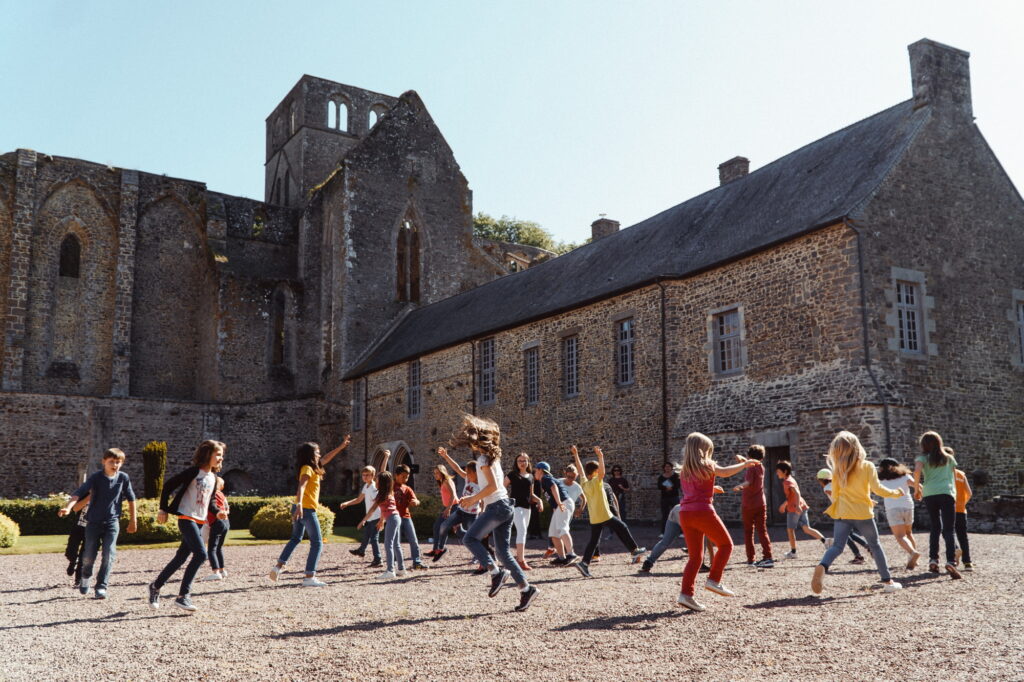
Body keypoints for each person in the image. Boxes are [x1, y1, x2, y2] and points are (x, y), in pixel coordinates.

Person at [448, 414, 539, 612]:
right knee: (503, 552)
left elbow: (492, 486)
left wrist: (473, 499)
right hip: (505, 506)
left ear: (476, 442)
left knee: (470, 539)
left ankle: (495, 572)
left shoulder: (482, 459)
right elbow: (494, 486)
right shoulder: (492, 457)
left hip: (497, 506)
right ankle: (526, 589)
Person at [811, 431, 905, 595]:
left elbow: (837, 493)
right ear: (857, 447)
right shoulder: (867, 465)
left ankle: (823, 566)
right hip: (863, 513)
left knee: (837, 546)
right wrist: (895, 493)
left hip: (843, 513)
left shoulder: (837, 469)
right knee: (875, 545)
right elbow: (878, 489)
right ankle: (887, 581)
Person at [674, 433, 757, 612]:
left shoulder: (684, 470)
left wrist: (711, 488)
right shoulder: (708, 465)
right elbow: (725, 472)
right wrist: (744, 464)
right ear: (704, 450)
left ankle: (686, 595)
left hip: (685, 514)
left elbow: (693, 490)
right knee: (726, 545)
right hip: (703, 512)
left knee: (695, 557)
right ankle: (714, 580)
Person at [149, 441, 226, 611]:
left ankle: (155, 586)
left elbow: (211, 500)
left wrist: (218, 511)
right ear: (208, 455)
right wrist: (163, 508)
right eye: (218, 454)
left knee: (181, 557)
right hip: (186, 517)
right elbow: (168, 486)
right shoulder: (194, 472)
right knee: (201, 554)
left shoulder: (213, 478)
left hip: (199, 521)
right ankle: (183, 596)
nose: (221, 458)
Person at [268, 436, 352, 588]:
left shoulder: (314, 467)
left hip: (300, 507)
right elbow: (301, 486)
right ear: (310, 454)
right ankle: (309, 576)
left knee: (295, 538)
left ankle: (278, 567)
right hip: (305, 508)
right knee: (317, 543)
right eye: (317, 452)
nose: (320, 454)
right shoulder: (307, 468)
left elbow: (327, 458)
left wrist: (340, 447)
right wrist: (300, 505)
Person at [57, 449, 137, 599]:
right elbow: (79, 492)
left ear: (122, 463)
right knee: (89, 555)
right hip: (93, 523)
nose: (115, 465)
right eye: (111, 461)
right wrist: (68, 508)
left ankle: (101, 586)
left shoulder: (123, 478)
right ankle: (85, 577)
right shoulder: (96, 478)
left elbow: (132, 499)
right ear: (104, 462)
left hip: (112, 522)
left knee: (109, 554)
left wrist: (133, 520)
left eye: (118, 462)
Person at [571, 445, 646, 579]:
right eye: (597, 470)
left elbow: (581, 471)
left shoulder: (584, 483)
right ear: (594, 472)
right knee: (622, 526)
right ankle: (634, 550)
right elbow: (602, 473)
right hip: (605, 515)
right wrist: (600, 457)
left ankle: (584, 564)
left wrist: (576, 455)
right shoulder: (596, 481)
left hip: (594, 518)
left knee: (593, 542)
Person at [913, 431, 961, 578]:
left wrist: (917, 490)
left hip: (929, 494)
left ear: (924, 445)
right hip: (947, 493)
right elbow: (953, 477)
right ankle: (951, 561)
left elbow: (916, 472)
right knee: (949, 529)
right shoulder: (949, 458)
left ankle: (933, 559)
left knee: (935, 527)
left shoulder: (922, 458)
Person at [432, 450, 483, 563]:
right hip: (461, 511)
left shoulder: (482, 484)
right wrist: (446, 456)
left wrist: (482, 512)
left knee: (472, 536)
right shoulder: (467, 478)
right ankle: (440, 549)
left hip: (472, 514)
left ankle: (479, 555)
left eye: (468, 471)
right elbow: (456, 468)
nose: (466, 473)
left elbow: (483, 500)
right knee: (444, 525)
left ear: (476, 472)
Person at [816, 468, 871, 564]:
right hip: (847, 510)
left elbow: (838, 497)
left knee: (845, 536)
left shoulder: (826, 488)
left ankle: (859, 554)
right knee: (850, 534)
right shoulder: (836, 485)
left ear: (821, 480)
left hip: (841, 512)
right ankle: (865, 548)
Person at [339, 461, 388, 568]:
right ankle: (361, 551)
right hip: (370, 517)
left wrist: (382, 520)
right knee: (366, 535)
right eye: (363, 475)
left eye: (367, 475)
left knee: (374, 538)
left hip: (377, 517)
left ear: (373, 476)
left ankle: (378, 559)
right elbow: (359, 499)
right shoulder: (366, 486)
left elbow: (381, 504)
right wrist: (347, 503)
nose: (364, 477)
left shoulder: (375, 488)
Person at [732, 444, 773, 568]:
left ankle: (751, 559)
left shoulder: (751, 469)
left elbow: (748, 482)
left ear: (749, 455)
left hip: (749, 504)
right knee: (762, 531)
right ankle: (768, 557)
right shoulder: (761, 467)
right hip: (761, 503)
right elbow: (751, 463)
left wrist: (739, 486)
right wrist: (744, 460)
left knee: (748, 532)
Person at [358, 470, 406, 579]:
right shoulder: (388, 493)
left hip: (392, 519)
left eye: (377, 480)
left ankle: (390, 571)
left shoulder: (381, 495)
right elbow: (386, 509)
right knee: (396, 544)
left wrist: (363, 520)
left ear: (382, 483)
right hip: (395, 518)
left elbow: (372, 509)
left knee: (388, 544)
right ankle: (401, 569)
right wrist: (381, 520)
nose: (376, 481)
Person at [876, 458, 922, 569]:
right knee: (909, 533)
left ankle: (912, 552)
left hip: (893, 508)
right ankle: (914, 560)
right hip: (908, 506)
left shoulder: (880, 479)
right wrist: (918, 494)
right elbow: (918, 485)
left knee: (900, 536)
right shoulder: (905, 476)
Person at [775, 461, 827, 558]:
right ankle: (825, 541)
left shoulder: (787, 482)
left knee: (790, 530)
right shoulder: (791, 479)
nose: (777, 473)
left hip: (794, 508)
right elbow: (792, 495)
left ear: (785, 471)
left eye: (778, 471)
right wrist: (784, 504)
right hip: (802, 506)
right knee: (806, 529)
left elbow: (797, 493)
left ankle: (793, 552)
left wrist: (796, 505)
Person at [534, 461, 577, 565]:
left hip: (563, 503)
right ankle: (562, 557)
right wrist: (555, 506)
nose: (534, 472)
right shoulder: (544, 480)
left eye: (535, 470)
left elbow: (554, 487)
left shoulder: (545, 478)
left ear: (540, 470)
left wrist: (559, 503)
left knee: (562, 529)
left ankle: (571, 554)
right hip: (560, 505)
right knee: (553, 533)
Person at [505, 453, 542, 571]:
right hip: (516, 507)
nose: (522, 463)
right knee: (522, 531)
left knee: (523, 533)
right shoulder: (512, 475)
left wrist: (539, 501)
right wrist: (506, 501)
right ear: (516, 462)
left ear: (528, 462)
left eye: (524, 461)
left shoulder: (531, 477)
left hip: (527, 508)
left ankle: (518, 559)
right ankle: (521, 561)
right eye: (520, 460)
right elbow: (502, 487)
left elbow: (531, 495)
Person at [393, 464, 427, 571]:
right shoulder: (390, 486)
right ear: (396, 475)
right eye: (403, 476)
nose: (406, 479)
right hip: (394, 518)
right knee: (395, 541)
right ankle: (395, 562)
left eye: (407, 477)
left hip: (406, 517)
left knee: (413, 540)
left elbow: (416, 500)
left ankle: (417, 562)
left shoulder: (407, 489)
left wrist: (415, 502)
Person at [426, 463, 459, 559]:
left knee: (441, 527)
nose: (435, 475)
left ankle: (439, 548)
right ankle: (438, 549)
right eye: (434, 473)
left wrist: (448, 509)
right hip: (448, 507)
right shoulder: (443, 481)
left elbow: (453, 495)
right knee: (440, 527)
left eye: (437, 473)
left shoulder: (446, 481)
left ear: (442, 472)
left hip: (452, 507)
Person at [201, 476, 231, 581]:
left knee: (211, 549)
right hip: (226, 522)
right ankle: (222, 571)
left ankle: (216, 572)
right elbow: (227, 507)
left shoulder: (210, 494)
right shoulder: (222, 495)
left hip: (217, 522)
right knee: (219, 548)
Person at [62, 494, 90, 589]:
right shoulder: (84, 493)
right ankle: (73, 561)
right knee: (70, 551)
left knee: (84, 556)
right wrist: (88, 497)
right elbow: (76, 508)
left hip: (91, 530)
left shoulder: (102, 496)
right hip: (78, 527)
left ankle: (78, 580)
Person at [954, 468, 974, 571]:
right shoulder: (961, 474)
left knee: (947, 532)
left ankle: (955, 549)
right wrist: (962, 503)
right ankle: (967, 563)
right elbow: (969, 493)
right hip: (961, 509)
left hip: (948, 509)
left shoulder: (944, 473)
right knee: (963, 536)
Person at [657, 462, 681, 532]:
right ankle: (663, 532)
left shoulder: (676, 476)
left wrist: (671, 488)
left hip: (674, 497)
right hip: (664, 498)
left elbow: (678, 485)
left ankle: (681, 532)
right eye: (666, 467)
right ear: (664, 468)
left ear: (671, 467)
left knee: (678, 514)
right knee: (665, 515)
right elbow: (659, 486)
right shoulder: (661, 477)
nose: (667, 468)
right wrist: (666, 488)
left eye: (669, 466)